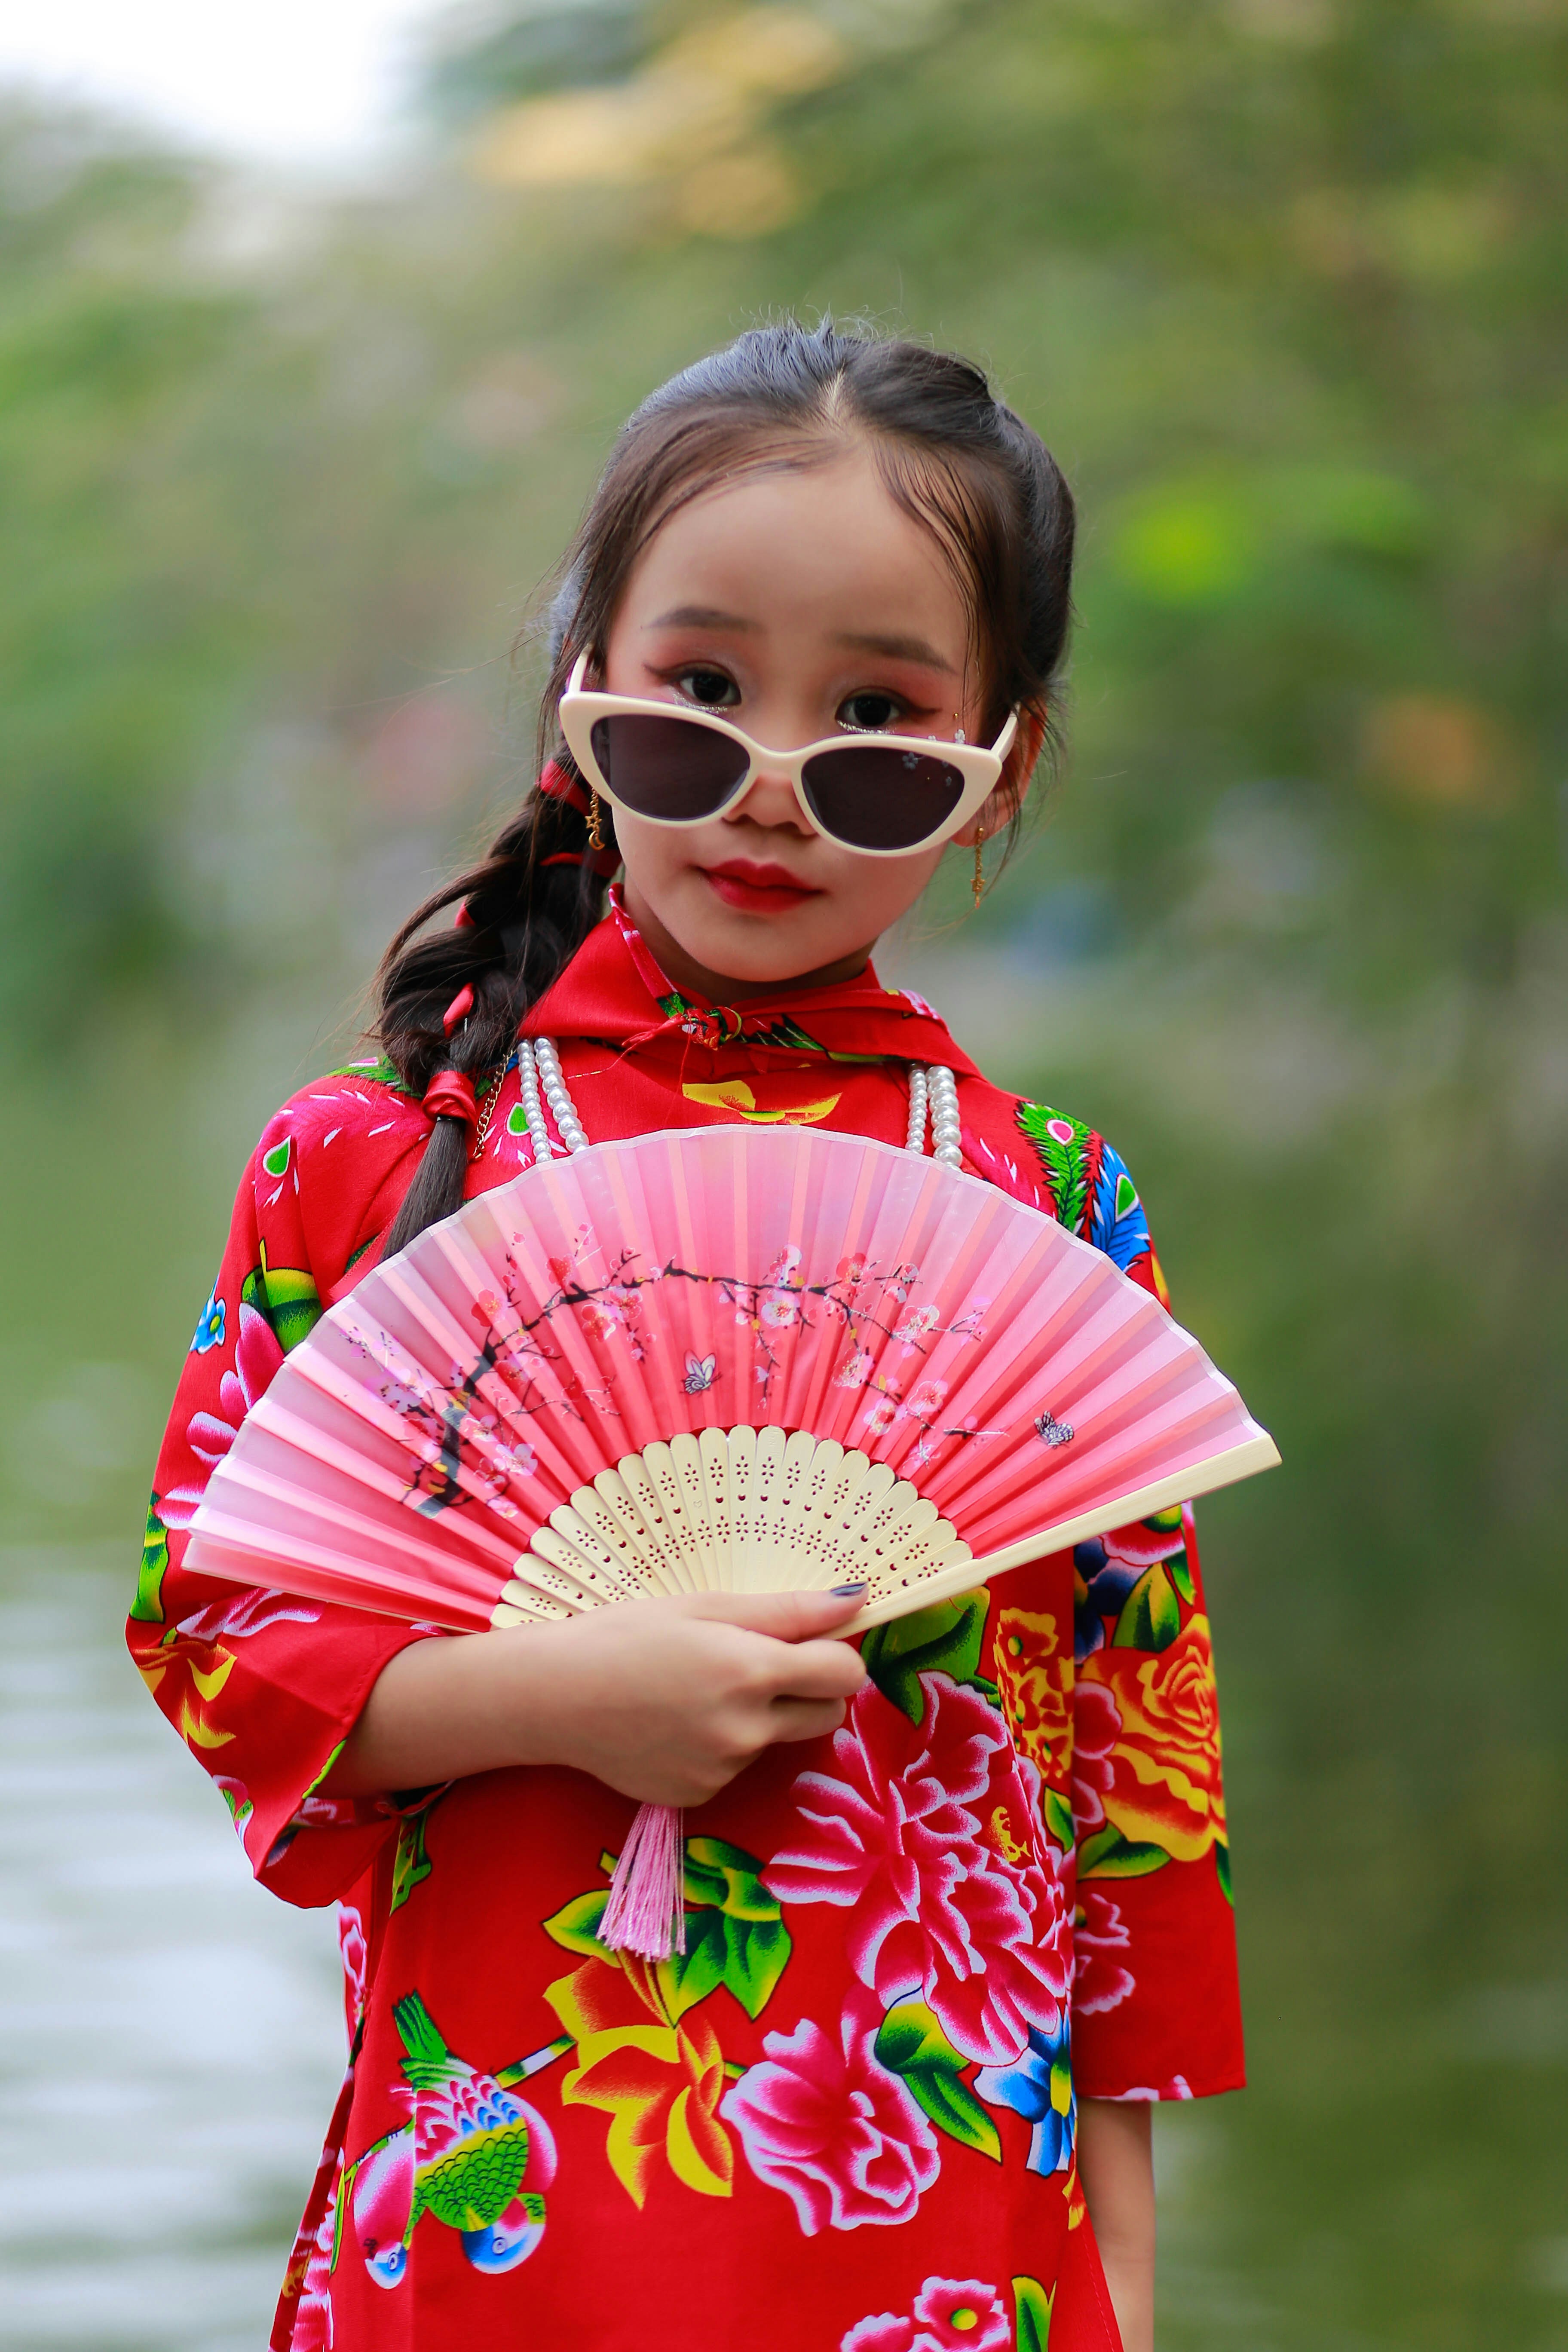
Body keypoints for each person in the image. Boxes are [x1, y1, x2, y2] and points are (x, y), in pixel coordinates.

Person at [130, 322, 1242, 2352]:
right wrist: (560, 1697)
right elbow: (220, 1660)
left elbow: (1133, 1805)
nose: (771, 785)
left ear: (999, 769)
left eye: (880, 718)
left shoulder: (1055, 1206)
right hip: (502, 2218)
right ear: (589, 696)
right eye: (701, 695)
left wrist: (1126, 2288)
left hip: (937, 2231)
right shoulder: (371, 1164)